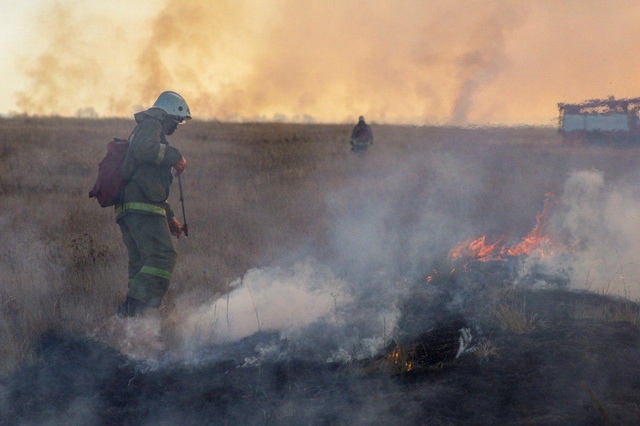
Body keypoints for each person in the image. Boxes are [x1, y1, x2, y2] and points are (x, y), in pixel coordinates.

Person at [115, 91, 191, 317]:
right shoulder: (151, 125)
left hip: (133, 207)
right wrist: (174, 155)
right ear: (165, 114)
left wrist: (169, 217)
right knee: (162, 257)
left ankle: (130, 325)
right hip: (140, 207)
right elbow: (142, 149)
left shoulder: (153, 132)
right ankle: (134, 313)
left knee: (141, 264)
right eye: (175, 120)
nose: (176, 126)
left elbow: (151, 184)